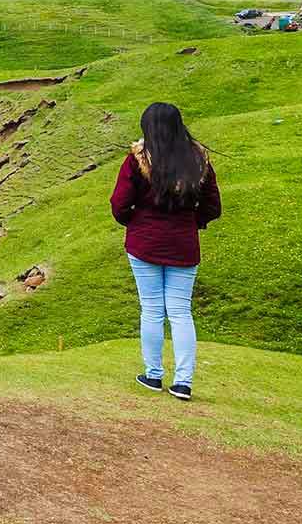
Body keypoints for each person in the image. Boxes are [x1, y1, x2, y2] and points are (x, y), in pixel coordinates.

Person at [109, 102, 222, 401]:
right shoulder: (199, 160)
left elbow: (119, 203)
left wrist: (134, 222)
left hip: (144, 242)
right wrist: (191, 222)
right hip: (184, 244)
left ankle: (153, 374)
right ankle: (183, 382)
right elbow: (213, 207)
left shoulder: (136, 160)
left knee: (152, 309)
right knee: (181, 312)